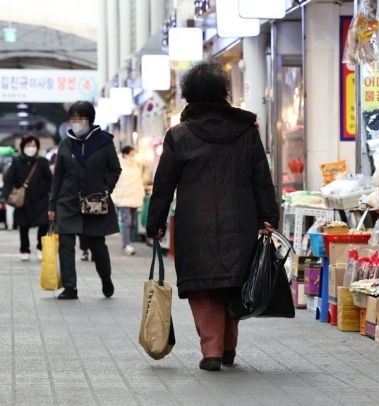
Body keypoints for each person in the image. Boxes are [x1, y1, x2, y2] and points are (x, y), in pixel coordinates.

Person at [147, 60, 279, 372]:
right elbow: (262, 177)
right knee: (233, 283)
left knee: (204, 287)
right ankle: (228, 347)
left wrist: (155, 224)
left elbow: (163, 184)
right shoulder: (247, 132)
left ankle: (212, 351)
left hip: (196, 223)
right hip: (240, 221)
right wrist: (268, 216)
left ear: (187, 95)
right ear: (224, 92)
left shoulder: (179, 135)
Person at [49, 101, 122, 300]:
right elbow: (58, 177)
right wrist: (52, 204)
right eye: (72, 118)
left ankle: (106, 278)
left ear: (89, 119)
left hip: (95, 202)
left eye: (79, 118)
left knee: (97, 245)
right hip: (67, 201)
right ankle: (70, 287)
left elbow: (115, 169)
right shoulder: (65, 143)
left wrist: (106, 190)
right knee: (66, 244)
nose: (75, 122)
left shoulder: (104, 142)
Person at [2, 135, 52, 261]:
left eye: (34, 146)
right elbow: (9, 180)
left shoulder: (42, 162)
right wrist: (4, 196)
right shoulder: (17, 161)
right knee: (23, 226)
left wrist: (54, 196)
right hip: (23, 200)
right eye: (28, 146)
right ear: (23, 147)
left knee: (44, 224)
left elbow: (50, 181)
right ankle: (25, 249)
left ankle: (40, 247)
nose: (31, 148)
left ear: (38, 147)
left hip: (41, 200)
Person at [112, 146, 145, 255]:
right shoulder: (118, 165)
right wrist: (114, 196)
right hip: (123, 198)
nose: (133, 157)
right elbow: (114, 182)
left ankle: (128, 242)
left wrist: (141, 194)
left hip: (134, 198)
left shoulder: (136, 166)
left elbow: (139, 182)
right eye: (131, 154)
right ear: (125, 154)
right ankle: (126, 244)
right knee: (127, 221)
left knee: (133, 223)